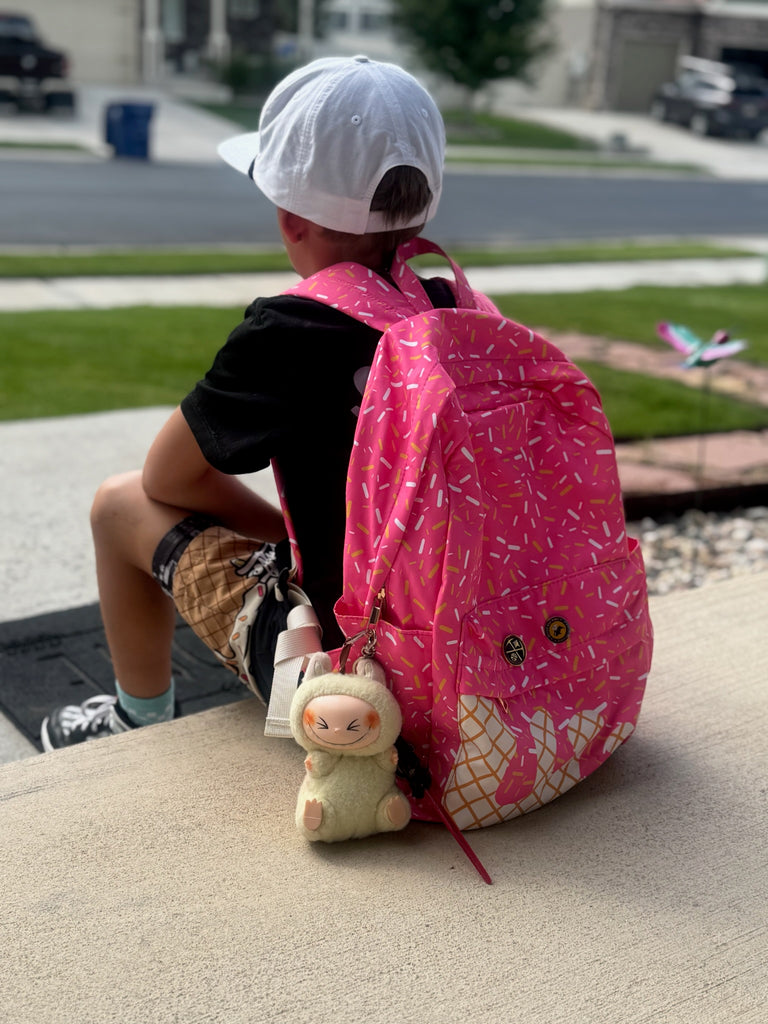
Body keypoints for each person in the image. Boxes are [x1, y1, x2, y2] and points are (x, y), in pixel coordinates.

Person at [40, 55, 453, 750]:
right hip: (473, 653)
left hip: (358, 685)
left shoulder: (291, 331)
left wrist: (286, 543)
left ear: (290, 218)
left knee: (119, 504)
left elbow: (166, 479)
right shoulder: (451, 309)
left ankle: (136, 715)